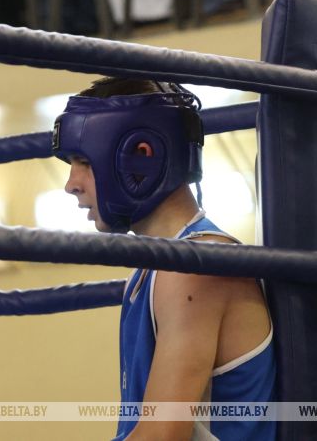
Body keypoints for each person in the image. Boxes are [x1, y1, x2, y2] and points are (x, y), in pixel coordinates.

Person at [53, 78, 275, 440]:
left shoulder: (196, 267)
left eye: (83, 162)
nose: (71, 183)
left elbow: (163, 435)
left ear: (142, 154)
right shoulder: (150, 272)